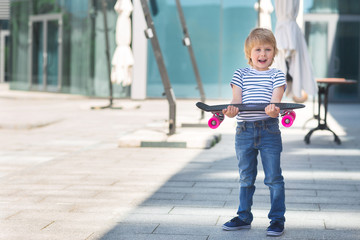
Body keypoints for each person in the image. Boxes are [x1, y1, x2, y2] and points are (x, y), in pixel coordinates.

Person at [221, 28, 287, 237]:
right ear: (249, 53)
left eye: (268, 49)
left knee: (274, 178)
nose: (263, 54)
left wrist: (273, 109)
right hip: (245, 132)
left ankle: (277, 220)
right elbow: (236, 103)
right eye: (258, 49)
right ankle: (243, 217)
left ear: (274, 52)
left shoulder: (277, 75)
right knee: (246, 177)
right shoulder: (240, 74)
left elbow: (275, 102)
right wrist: (230, 112)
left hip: (269, 131)